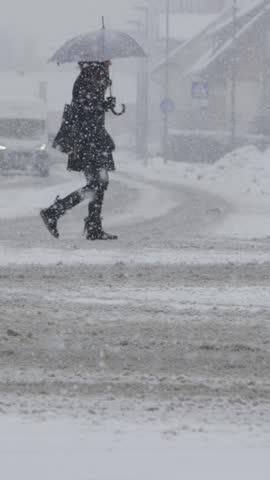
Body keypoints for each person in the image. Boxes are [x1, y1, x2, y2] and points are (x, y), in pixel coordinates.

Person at [40, 60, 118, 241]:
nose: (110, 64)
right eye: (107, 62)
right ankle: (54, 212)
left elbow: (88, 109)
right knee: (98, 183)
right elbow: (83, 110)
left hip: (92, 140)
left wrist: (104, 102)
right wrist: (102, 105)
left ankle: (93, 227)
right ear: (98, 62)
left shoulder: (94, 79)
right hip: (88, 142)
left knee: (98, 184)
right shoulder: (87, 79)